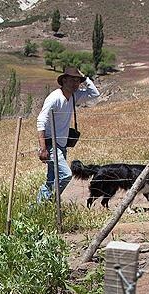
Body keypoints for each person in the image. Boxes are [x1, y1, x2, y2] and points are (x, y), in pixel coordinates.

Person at [36, 66, 100, 202]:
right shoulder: (54, 98)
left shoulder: (73, 96)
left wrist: (85, 78)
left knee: (52, 179)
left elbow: (95, 94)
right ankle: (48, 202)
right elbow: (41, 120)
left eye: (78, 81)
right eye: (72, 80)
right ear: (64, 80)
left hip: (62, 144)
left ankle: (40, 208)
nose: (75, 83)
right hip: (51, 143)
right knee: (66, 175)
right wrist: (43, 148)